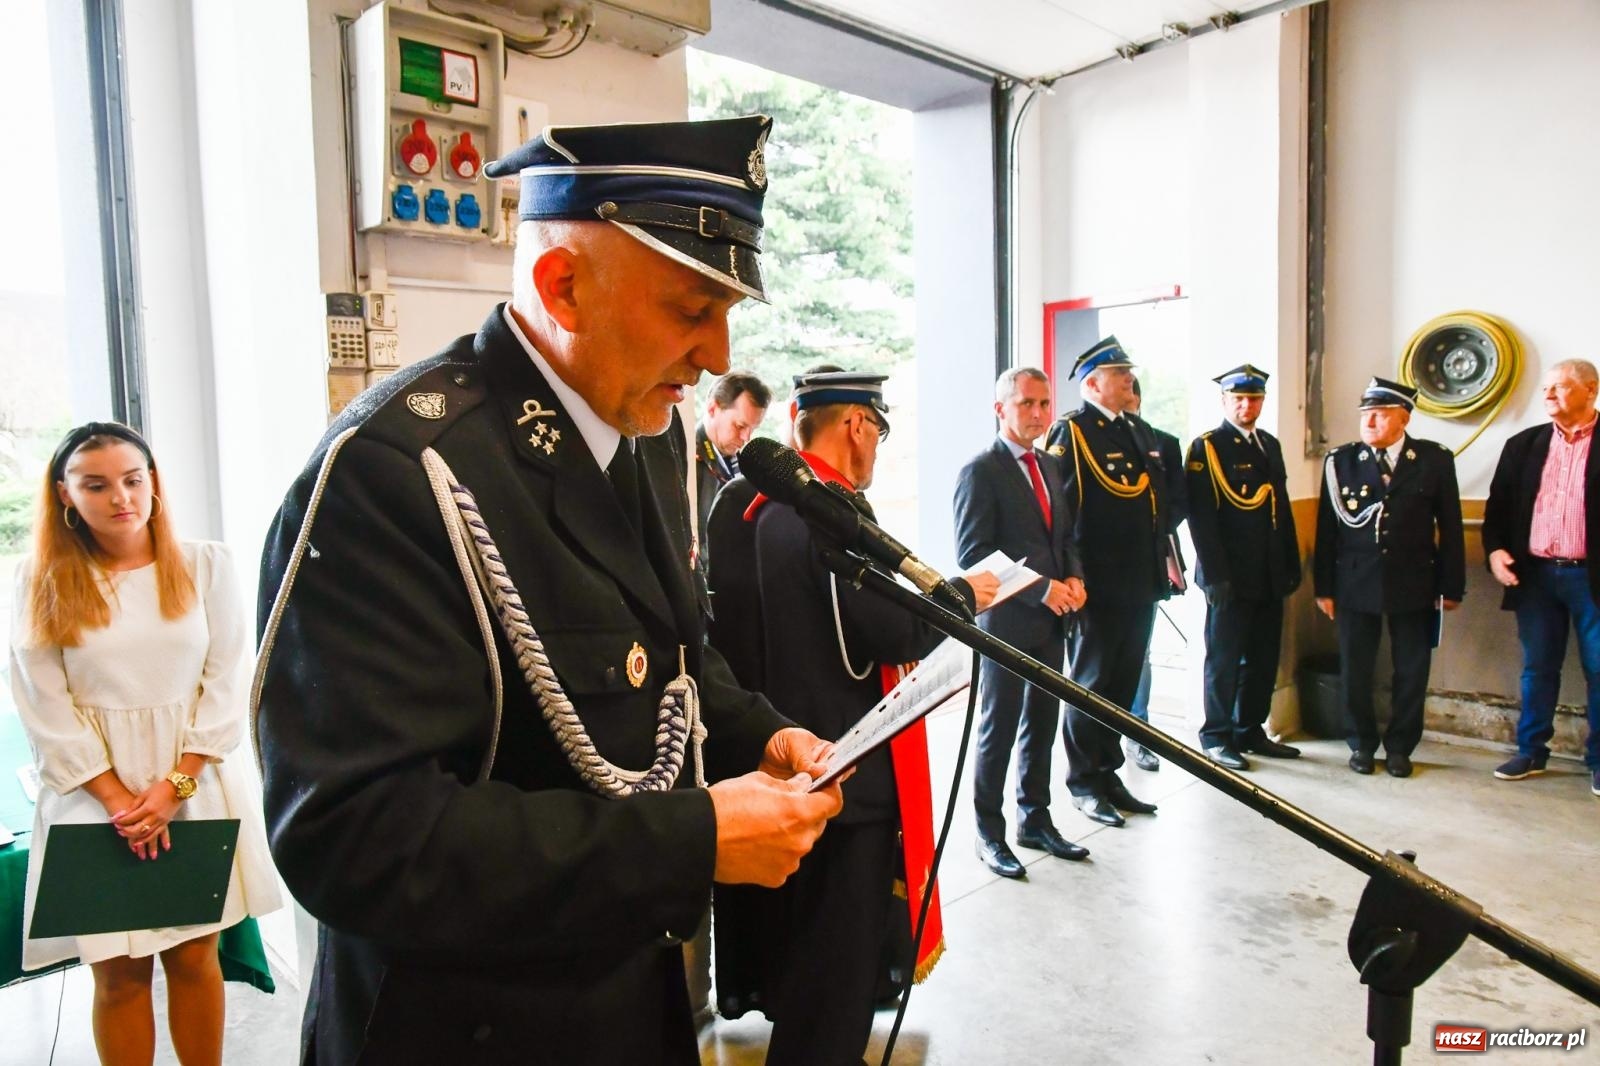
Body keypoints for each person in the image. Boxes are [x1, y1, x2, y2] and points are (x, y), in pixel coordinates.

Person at [252, 117, 845, 1064]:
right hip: (465, 1027)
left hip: (625, 994)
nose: (717, 354)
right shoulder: (398, 472)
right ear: (561, 284)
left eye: (729, 313)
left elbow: (667, 661)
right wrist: (689, 840)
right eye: (693, 310)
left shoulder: (649, 440)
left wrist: (755, 732)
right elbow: (355, 837)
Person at [707, 369, 998, 1066]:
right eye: (878, 431)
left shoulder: (750, 500)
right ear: (856, 426)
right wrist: (964, 596)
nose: (876, 449)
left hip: (784, 757)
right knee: (835, 977)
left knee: (806, 959)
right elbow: (883, 631)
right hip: (848, 769)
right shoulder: (825, 510)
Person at [9, 421, 280, 1066]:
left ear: (153, 483)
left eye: (132, 480)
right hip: (90, 795)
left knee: (194, 958)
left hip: (189, 785)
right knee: (118, 973)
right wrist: (118, 800)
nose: (119, 497)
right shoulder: (37, 578)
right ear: (65, 495)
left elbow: (225, 684)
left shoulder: (205, 564)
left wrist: (171, 789)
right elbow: (43, 701)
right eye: (96, 485)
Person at [954, 367, 1089, 879]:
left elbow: (1065, 538)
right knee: (1000, 728)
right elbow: (974, 554)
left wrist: (1073, 578)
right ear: (1001, 409)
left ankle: (1035, 819)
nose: (1037, 413)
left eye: (1044, 403)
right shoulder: (980, 471)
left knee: (1042, 724)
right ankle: (989, 832)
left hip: (1054, 621)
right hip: (1008, 622)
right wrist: (1042, 589)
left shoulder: (1052, 465)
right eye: (1026, 404)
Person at [1314, 377, 1465, 777]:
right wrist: (1324, 588)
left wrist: (1451, 586)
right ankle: (1361, 743)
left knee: (1412, 671)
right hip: (1354, 582)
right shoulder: (1340, 462)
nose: (1370, 421)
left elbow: (1450, 526)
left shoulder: (1433, 460)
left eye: (1380, 414)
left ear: (1404, 418)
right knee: (1356, 669)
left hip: (1415, 582)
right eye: (1366, 413)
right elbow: (1327, 530)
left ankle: (1400, 746)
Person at [1044, 336, 1165, 827]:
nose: (1128, 380)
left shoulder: (1135, 430)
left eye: (1128, 372)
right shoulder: (1071, 433)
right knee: (1091, 683)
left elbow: (1154, 507)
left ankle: (1109, 770)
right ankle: (1083, 780)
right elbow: (1063, 513)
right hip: (1098, 584)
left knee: (1121, 683)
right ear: (1093, 383)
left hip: (1140, 581)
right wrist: (1071, 575)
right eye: (1119, 374)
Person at [1481, 359, 1600, 795]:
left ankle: (1599, 760)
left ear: (1590, 390)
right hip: (1536, 579)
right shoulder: (1523, 445)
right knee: (1538, 668)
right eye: (1545, 388)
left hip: (1592, 580)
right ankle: (1531, 751)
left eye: (1560, 388)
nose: (1548, 395)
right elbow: (1496, 513)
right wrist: (1495, 552)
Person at [1185, 365, 1303, 771]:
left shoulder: (1269, 445)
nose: (1246, 405)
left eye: (1253, 398)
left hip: (1268, 573)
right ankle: (1216, 735)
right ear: (1224, 401)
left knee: (1263, 657)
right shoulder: (1208, 447)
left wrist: (1291, 562)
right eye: (1238, 398)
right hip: (1229, 577)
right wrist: (1215, 576)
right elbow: (1201, 518)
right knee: (1224, 659)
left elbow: (1281, 509)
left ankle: (1249, 728)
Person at [1123, 375, 1189, 772]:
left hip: (1148, 564)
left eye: (1131, 393)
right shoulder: (1083, 439)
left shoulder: (1162, 443)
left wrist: (1148, 532)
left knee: (1140, 655)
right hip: (1103, 571)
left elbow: (1177, 503)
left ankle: (1139, 733)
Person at [693, 369, 770, 555]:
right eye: (740, 426)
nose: (746, 438)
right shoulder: (687, 458)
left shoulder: (744, 464)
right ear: (712, 408)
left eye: (753, 429)